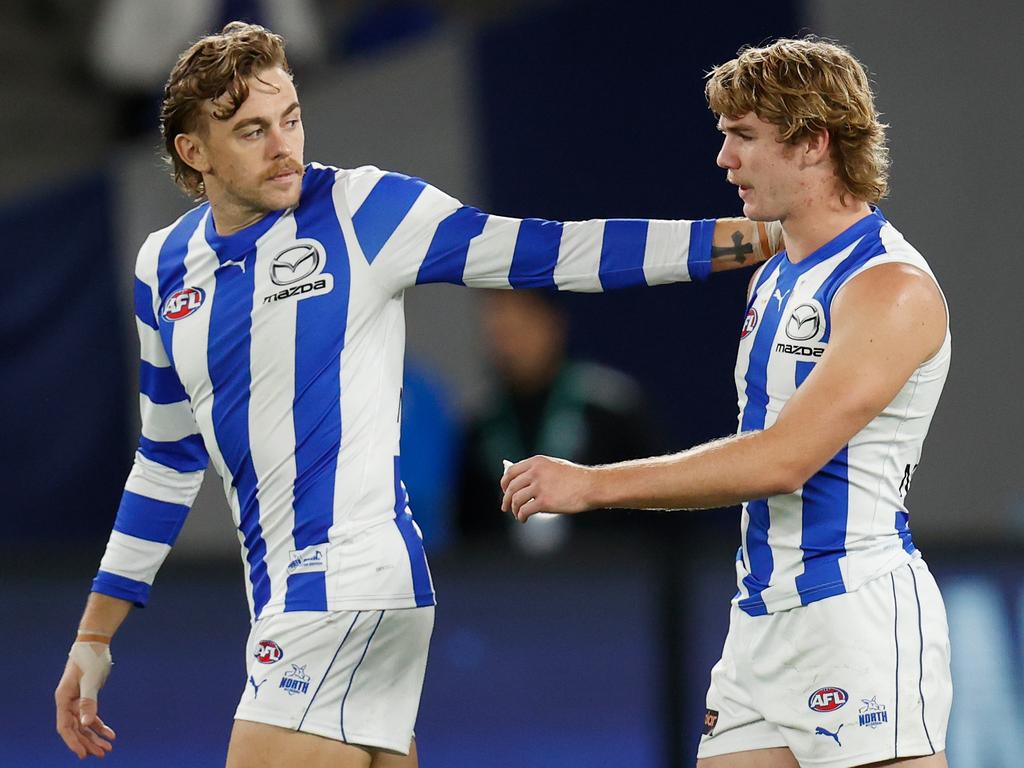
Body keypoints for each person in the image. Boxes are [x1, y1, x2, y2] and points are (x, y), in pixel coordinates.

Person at [53, 21, 782, 768]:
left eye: (292, 119)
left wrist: (750, 240)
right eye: (251, 131)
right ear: (193, 153)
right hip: (317, 600)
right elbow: (166, 461)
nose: (284, 146)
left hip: (344, 584)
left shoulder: (363, 209)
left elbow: (550, 252)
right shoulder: (163, 267)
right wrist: (95, 633)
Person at [502, 37, 952, 768]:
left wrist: (593, 484)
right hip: (759, 623)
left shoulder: (890, 289)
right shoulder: (772, 275)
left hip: (855, 616)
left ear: (812, 143)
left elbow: (783, 461)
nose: (723, 159)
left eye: (743, 137)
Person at [458, 289, 665, 554]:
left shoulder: (612, 409)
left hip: (610, 581)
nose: (510, 344)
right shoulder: (480, 426)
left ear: (554, 323)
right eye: (501, 331)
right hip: (508, 587)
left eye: (522, 325)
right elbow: (466, 538)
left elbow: (663, 518)